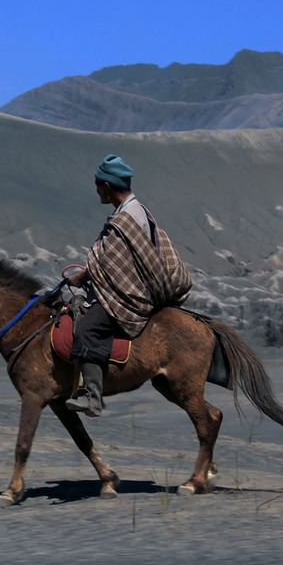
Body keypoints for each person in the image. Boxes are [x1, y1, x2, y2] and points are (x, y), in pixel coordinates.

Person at [62, 154, 192, 417]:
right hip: (130, 288)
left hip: (130, 297)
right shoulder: (135, 211)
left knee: (87, 328)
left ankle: (93, 397)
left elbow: (115, 268)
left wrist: (84, 276)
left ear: (107, 187)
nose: (97, 191)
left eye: (98, 185)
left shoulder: (126, 220)